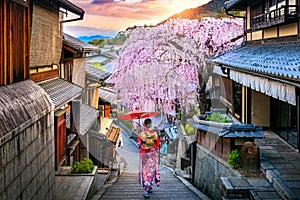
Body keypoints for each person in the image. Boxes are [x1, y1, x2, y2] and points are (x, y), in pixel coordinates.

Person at [136, 118, 160, 198]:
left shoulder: (141, 134)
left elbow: (139, 144)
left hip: (144, 155)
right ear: (151, 124)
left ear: (145, 124)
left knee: (145, 171)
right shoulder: (155, 134)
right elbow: (157, 145)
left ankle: (146, 190)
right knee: (152, 170)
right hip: (152, 154)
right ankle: (149, 187)